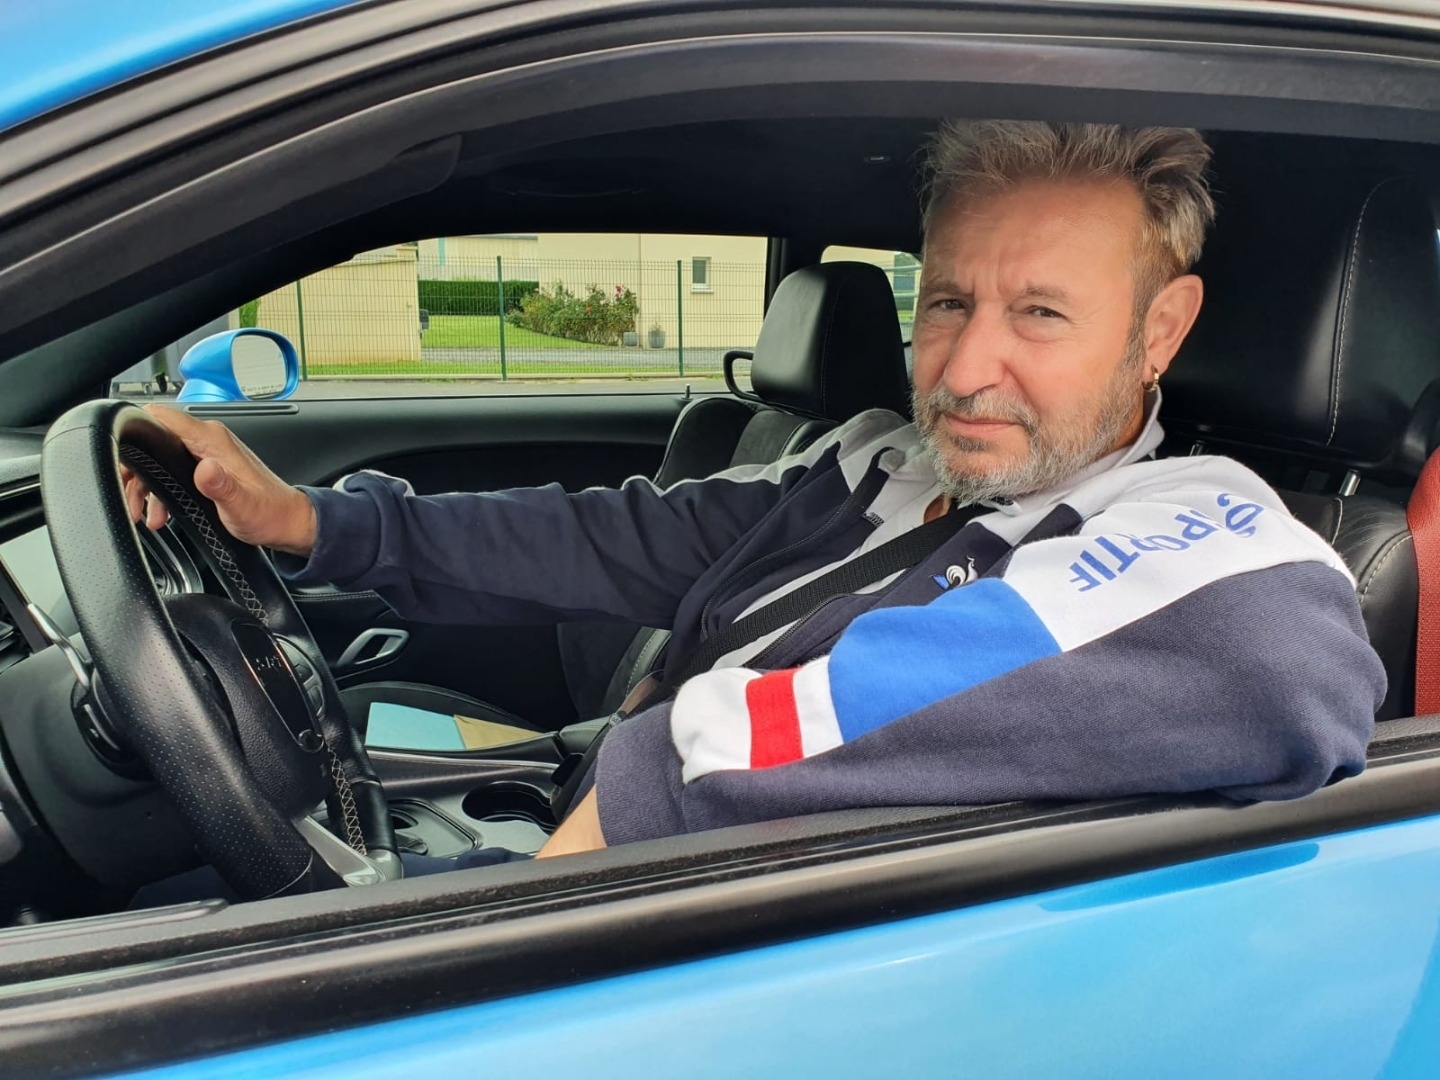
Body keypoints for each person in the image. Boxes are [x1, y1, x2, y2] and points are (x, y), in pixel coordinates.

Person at [128, 121, 1384, 865]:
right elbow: (618, 539)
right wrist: (313, 521)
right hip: (623, 846)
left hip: (704, 924)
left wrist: (646, 782)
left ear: (1160, 331)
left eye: (1041, 315)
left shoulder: (1193, 528)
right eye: (948, 300)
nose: (964, 367)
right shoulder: (878, 461)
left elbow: (1281, 664)